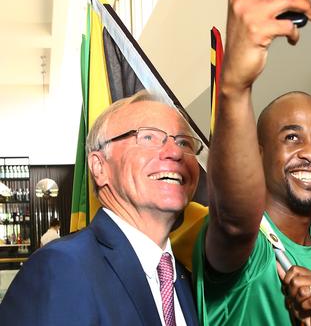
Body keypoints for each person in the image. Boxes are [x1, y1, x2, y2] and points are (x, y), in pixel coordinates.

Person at [192, 0, 311, 326]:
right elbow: (234, 221)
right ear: (258, 152)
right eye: (291, 137)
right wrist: (234, 88)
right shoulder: (249, 242)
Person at [0, 91, 200, 326]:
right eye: (148, 137)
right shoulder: (62, 268)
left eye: (183, 142)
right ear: (99, 166)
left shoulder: (186, 278)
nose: (175, 152)